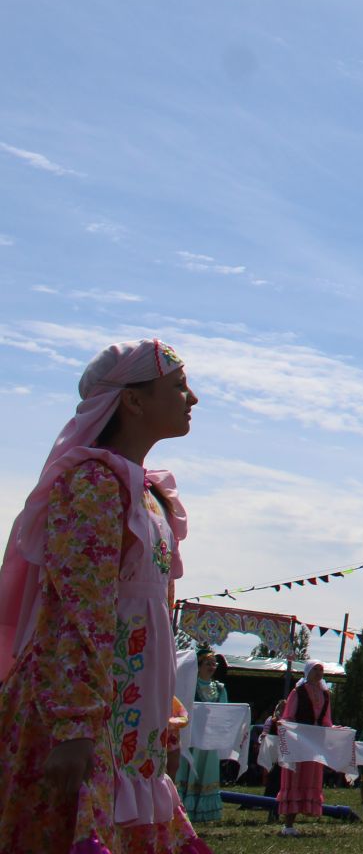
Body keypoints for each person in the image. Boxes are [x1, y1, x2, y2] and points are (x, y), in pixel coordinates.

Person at [0, 341, 206, 854]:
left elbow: (153, 620)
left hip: (129, 721)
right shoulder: (93, 484)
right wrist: (73, 726)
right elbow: (77, 611)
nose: (193, 398)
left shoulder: (150, 496)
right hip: (80, 718)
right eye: (178, 386)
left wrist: (165, 723)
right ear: (132, 401)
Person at [271, 659, 335, 836]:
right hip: (298, 740)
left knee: (310, 776)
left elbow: (326, 719)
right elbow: (289, 716)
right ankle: (288, 824)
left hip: (315, 741)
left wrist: (333, 730)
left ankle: (305, 811)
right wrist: (289, 732)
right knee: (295, 777)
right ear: (307, 672)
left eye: (321, 670)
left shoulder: (325, 694)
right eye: (316, 670)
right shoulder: (298, 692)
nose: (319, 673)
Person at [176, 650, 228, 825]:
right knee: (188, 769)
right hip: (191, 736)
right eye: (208, 663)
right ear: (198, 666)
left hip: (209, 738)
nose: (212, 667)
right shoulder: (189, 685)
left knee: (206, 770)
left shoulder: (220, 688)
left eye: (214, 664)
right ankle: (184, 809)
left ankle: (204, 812)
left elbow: (224, 712)